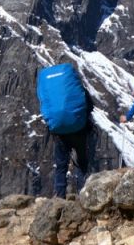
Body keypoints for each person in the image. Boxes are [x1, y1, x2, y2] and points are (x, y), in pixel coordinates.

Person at [37, 62, 96, 198]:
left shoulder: (52, 92)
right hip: (79, 130)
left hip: (60, 132)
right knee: (81, 162)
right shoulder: (77, 90)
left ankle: (60, 196)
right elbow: (90, 106)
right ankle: (83, 194)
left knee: (61, 165)